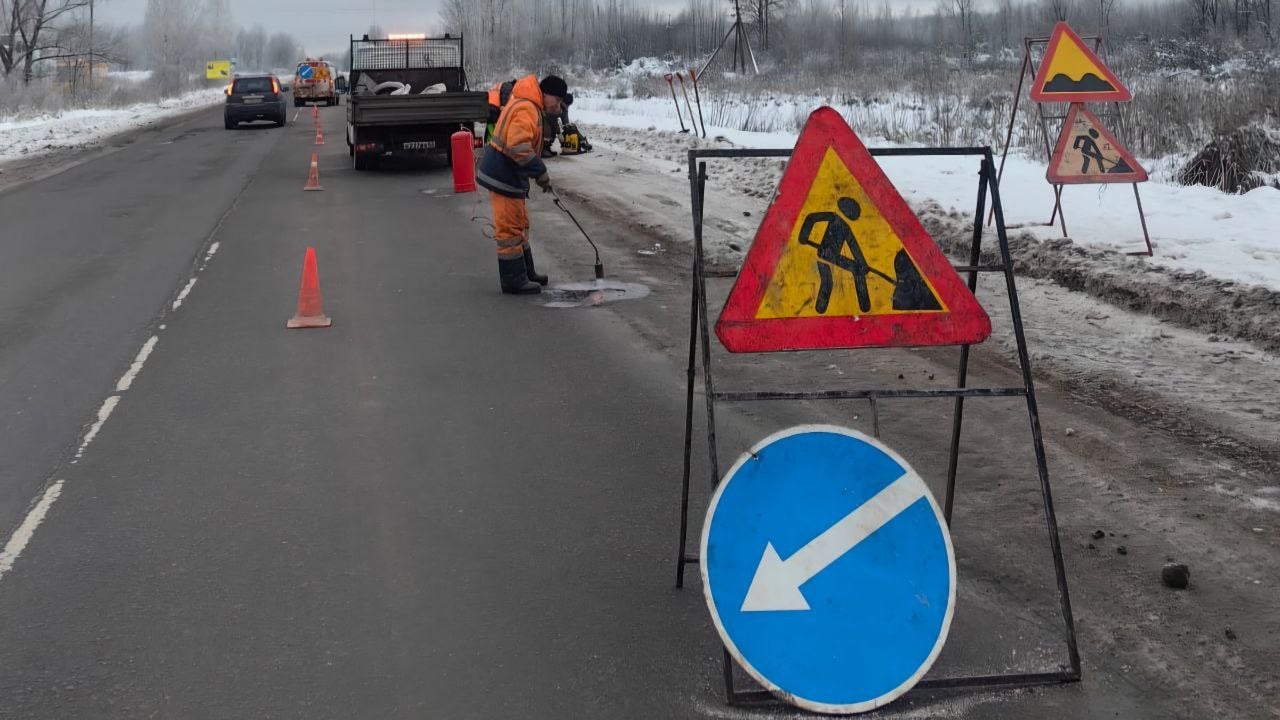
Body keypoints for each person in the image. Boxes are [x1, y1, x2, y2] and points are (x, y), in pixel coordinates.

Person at [477, 74, 569, 294]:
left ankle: (526, 272)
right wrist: (540, 172)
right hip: (503, 175)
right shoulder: (526, 108)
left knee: (520, 223)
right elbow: (517, 146)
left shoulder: (530, 105)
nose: (558, 105)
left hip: (509, 176)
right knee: (509, 228)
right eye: (557, 100)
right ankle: (513, 280)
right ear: (546, 94)